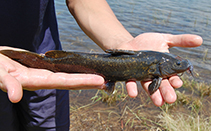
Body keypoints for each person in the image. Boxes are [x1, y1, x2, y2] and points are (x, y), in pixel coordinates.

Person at [0, 0, 202, 130]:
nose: (180, 65)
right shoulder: (157, 67)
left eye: (177, 64)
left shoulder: (157, 64)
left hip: (45, 56)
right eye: (176, 64)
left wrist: (122, 42)